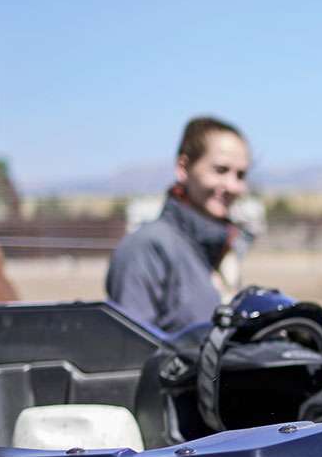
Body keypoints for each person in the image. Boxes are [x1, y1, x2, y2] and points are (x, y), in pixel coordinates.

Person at [106, 116, 251, 333]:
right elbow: (129, 346)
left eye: (240, 175)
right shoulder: (147, 249)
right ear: (183, 168)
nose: (232, 186)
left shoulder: (222, 250)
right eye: (220, 170)